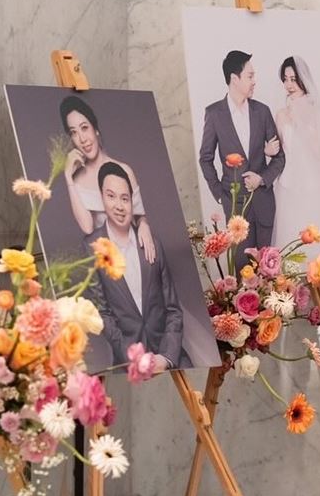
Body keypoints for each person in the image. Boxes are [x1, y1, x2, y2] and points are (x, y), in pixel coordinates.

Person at [83, 161, 188, 371]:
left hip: (167, 353)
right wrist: (133, 357)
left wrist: (166, 357)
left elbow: (174, 310)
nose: (119, 206)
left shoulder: (151, 243)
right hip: (127, 361)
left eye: (125, 198)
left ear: (133, 202)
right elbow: (102, 313)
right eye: (111, 196)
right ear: (101, 197)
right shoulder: (91, 247)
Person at [198, 50, 285, 266]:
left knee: (266, 272)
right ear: (234, 79)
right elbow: (205, 158)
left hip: (264, 205)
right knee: (240, 273)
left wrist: (262, 179)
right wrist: (220, 194)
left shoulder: (262, 112)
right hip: (235, 208)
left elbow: (279, 157)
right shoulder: (214, 114)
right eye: (250, 76)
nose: (254, 81)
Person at [59, 96, 155, 263]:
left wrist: (144, 225)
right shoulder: (77, 181)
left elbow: (139, 215)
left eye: (84, 128)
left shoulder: (124, 170)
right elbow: (87, 227)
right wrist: (68, 177)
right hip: (107, 261)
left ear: (95, 129)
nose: (82, 139)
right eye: (74, 132)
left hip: (134, 252)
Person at [267, 56, 320, 247]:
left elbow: (319, 152)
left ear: (303, 80)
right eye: (285, 79)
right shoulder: (280, 114)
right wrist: (268, 150)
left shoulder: (316, 112)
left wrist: (301, 121)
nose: (289, 85)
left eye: (294, 79)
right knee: (288, 236)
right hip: (287, 184)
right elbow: (279, 152)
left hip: (311, 183)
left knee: (313, 234)